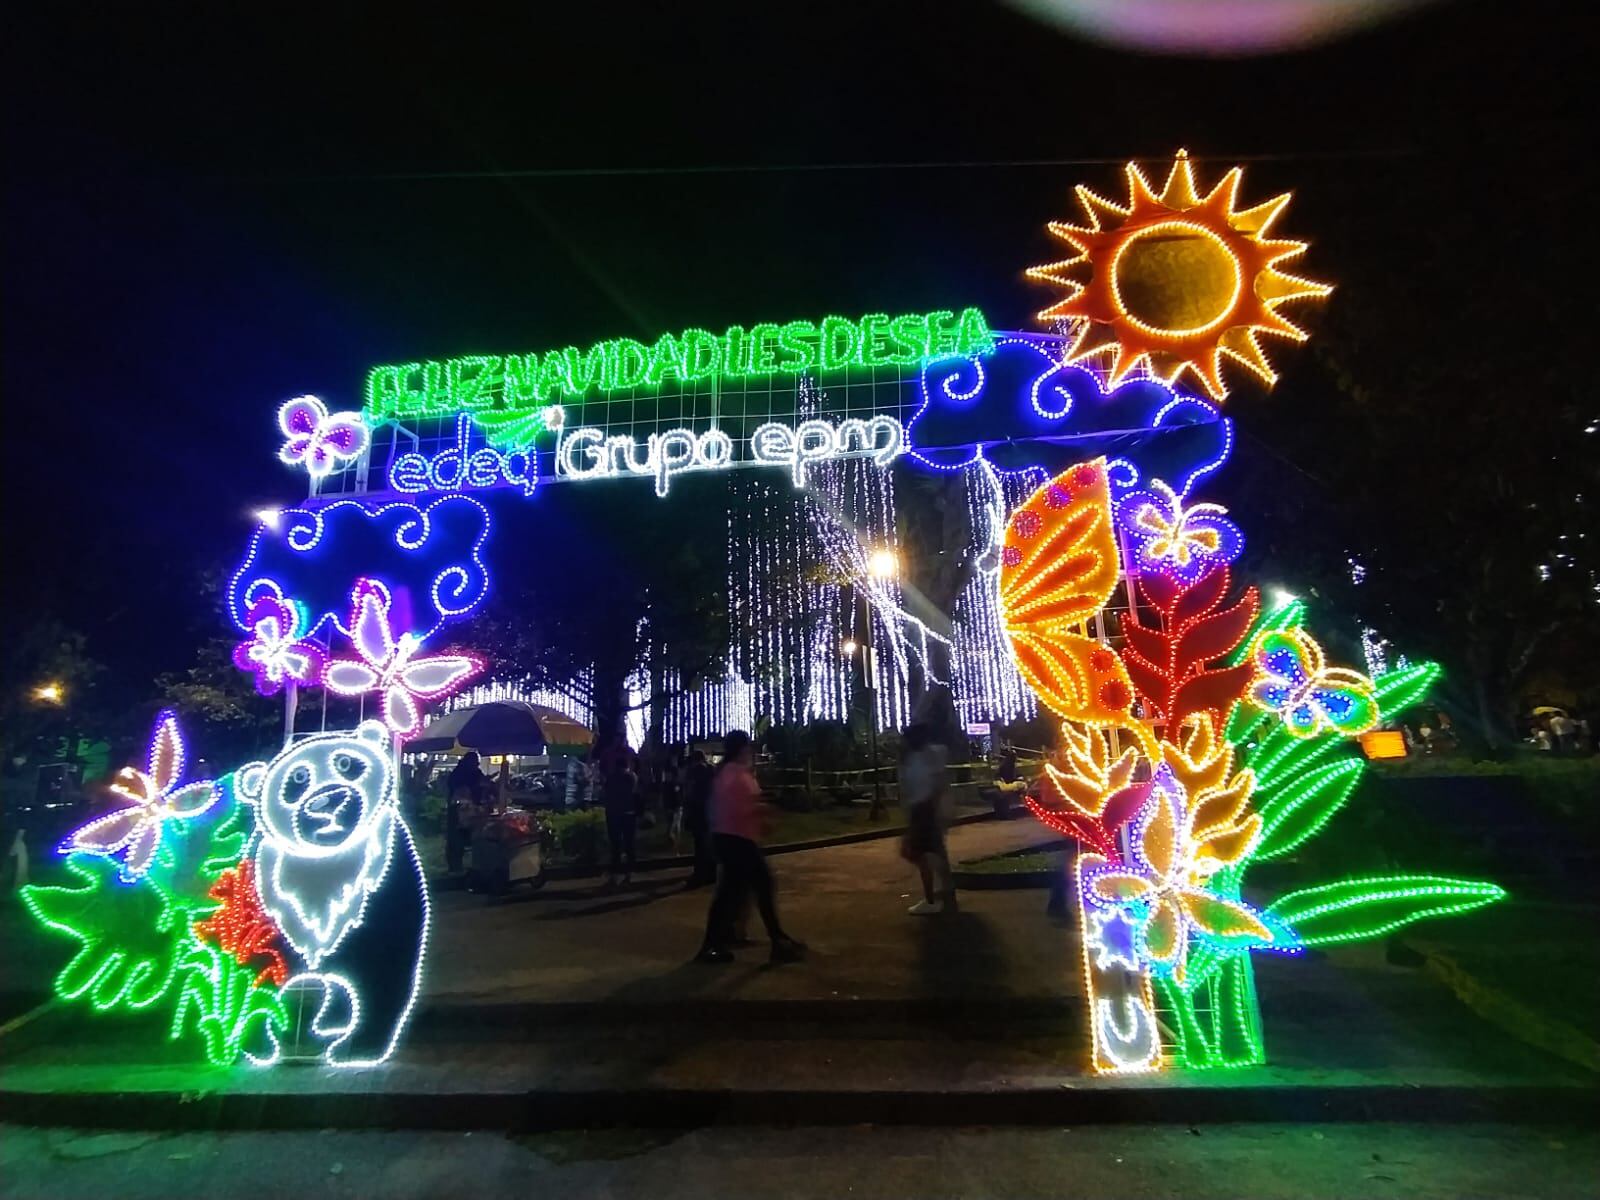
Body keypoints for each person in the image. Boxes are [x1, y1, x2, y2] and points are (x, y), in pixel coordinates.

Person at [695, 731, 805, 964]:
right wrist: (764, 814)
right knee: (757, 887)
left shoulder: (726, 773)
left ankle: (719, 942)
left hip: (729, 838)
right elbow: (743, 807)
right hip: (738, 840)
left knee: (733, 893)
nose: (751, 752)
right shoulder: (735, 775)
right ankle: (776, 942)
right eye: (748, 747)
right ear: (742, 749)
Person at [899, 723, 954, 915]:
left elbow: (937, 784)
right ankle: (944, 893)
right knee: (932, 853)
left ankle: (933, 898)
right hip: (922, 808)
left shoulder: (927, 757)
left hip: (924, 808)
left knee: (919, 853)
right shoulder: (917, 757)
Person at [445, 752, 488, 873]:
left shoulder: (473, 772)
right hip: (459, 810)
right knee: (456, 839)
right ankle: (455, 867)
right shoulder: (459, 774)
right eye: (475, 763)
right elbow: (459, 790)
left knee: (470, 839)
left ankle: (464, 866)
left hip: (471, 810)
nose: (477, 765)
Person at [682, 749, 717, 888]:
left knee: (700, 844)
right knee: (709, 842)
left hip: (698, 810)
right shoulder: (712, 770)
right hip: (711, 810)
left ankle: (699, 873)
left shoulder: (695, 771)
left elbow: (691, 791)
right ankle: (711, 873)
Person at [602, 754, 638, 886]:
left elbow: (605, 794)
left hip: (614, 814)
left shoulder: (611, 778)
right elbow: (635, 793)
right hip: (629, 813)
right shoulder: (632, 777)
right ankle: (629, 874)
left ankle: (615, 875)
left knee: (615, 845)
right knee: (629, 844)